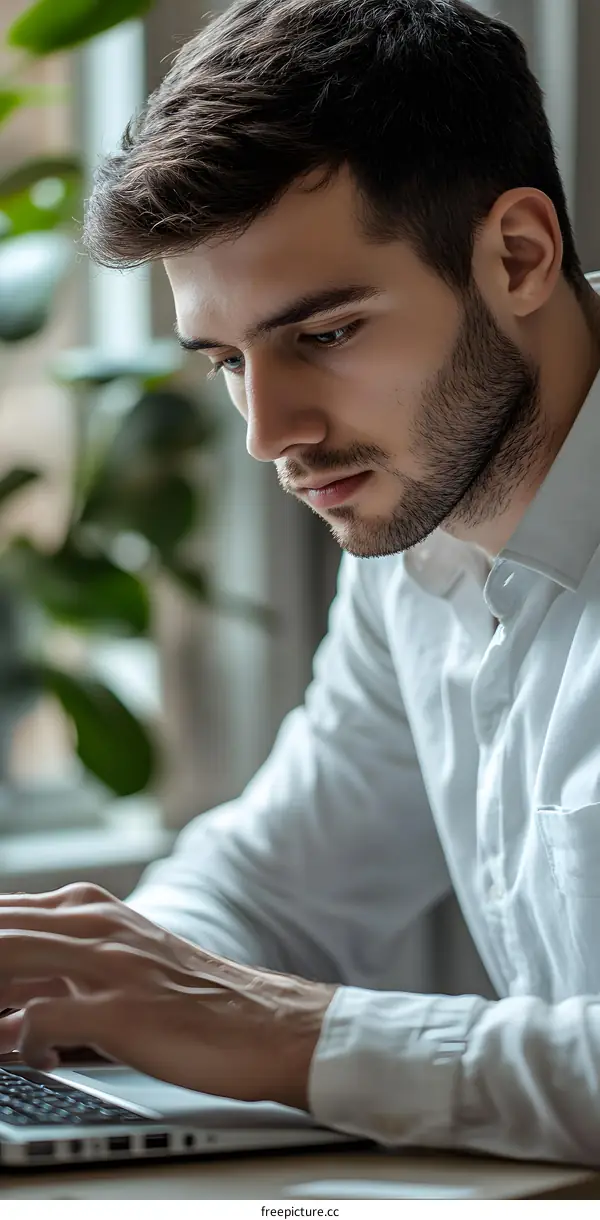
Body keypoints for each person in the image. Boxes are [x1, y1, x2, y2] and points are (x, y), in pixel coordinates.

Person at [2, 0, 600, 1167]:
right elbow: (276, 880)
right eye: (229, 360)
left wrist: (284, 1028)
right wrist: (88, 988)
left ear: (518, 254)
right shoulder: (414, 532)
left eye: (324, 333)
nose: (270, 433)